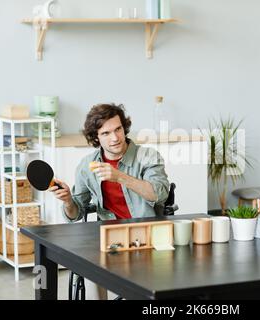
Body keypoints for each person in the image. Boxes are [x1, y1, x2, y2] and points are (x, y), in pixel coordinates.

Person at [49, 103, 170, 299]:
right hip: (109, 237)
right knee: (90, 266)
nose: (115, 138)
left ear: (124, 128)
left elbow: (159, 194)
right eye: (106, 133)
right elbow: (75, 213)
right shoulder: (86, 166)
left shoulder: (147, 157)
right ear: (96, 137)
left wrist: (120, 177)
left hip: (147, 236)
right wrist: (68, 201)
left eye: (118, 129)